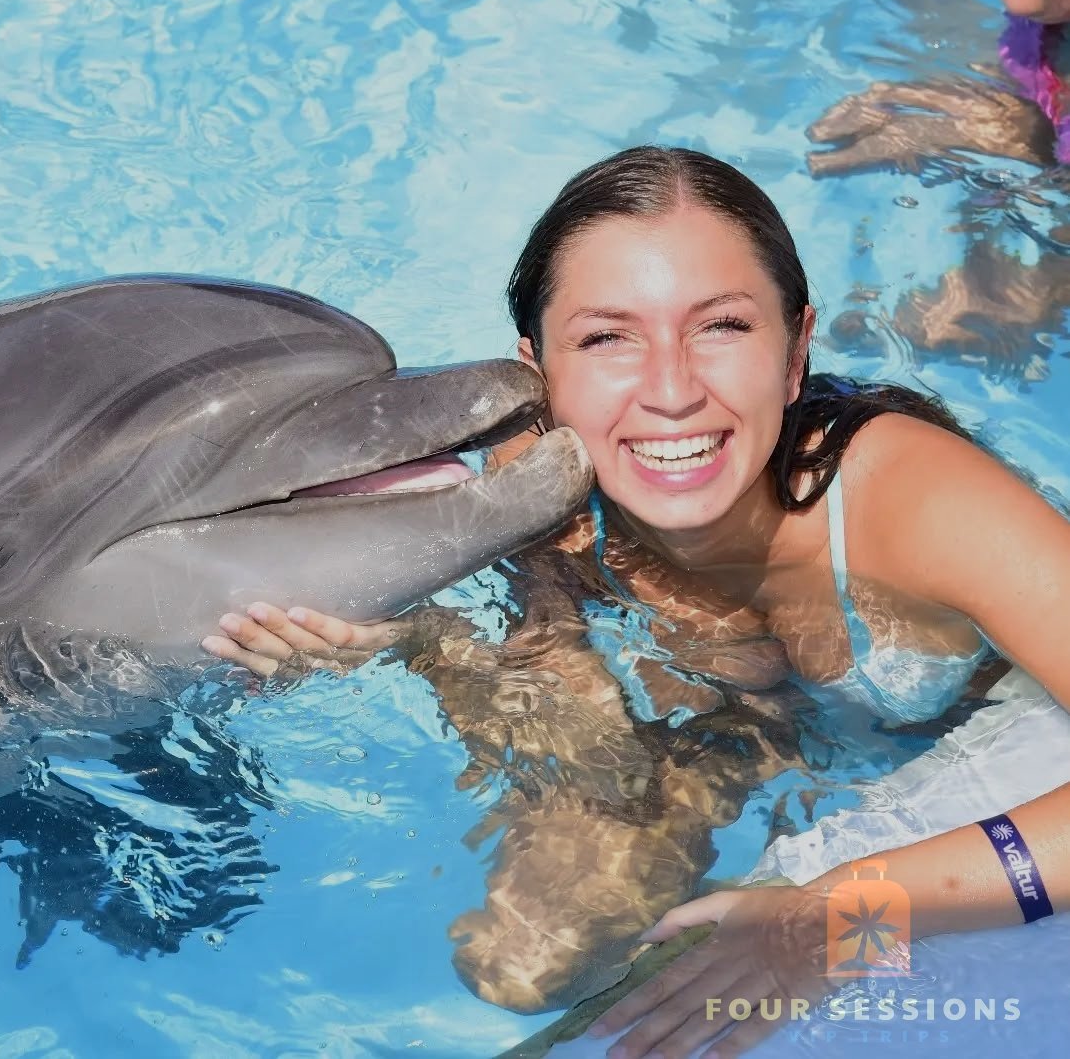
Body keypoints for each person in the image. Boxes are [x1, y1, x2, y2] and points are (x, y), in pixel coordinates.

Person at [202, 145, 1070, 1057]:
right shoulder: (542, 489)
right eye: (607, 338)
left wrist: (837, 914)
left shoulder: (913, 499)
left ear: (795, 352)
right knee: (523, 961)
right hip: (750, 731)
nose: (671, 391)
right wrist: (413, 642)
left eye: (721, 325)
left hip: (1006, 740)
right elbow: (569, 721)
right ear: (538, 370)